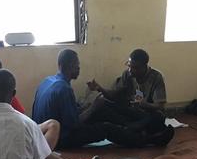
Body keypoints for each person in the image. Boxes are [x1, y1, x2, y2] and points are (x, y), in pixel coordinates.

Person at [32, 49, 174, 149]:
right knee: (105, 128)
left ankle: (133, 127)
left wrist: (92, 105)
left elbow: (70, 112)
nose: (79, 68)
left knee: (102, 108)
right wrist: (93, 106)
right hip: (59, 138)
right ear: (70, 66)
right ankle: (148, 140)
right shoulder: (64, 89)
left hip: (45, 134)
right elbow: (74, 125)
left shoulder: (48, 81)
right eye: (78, 65)